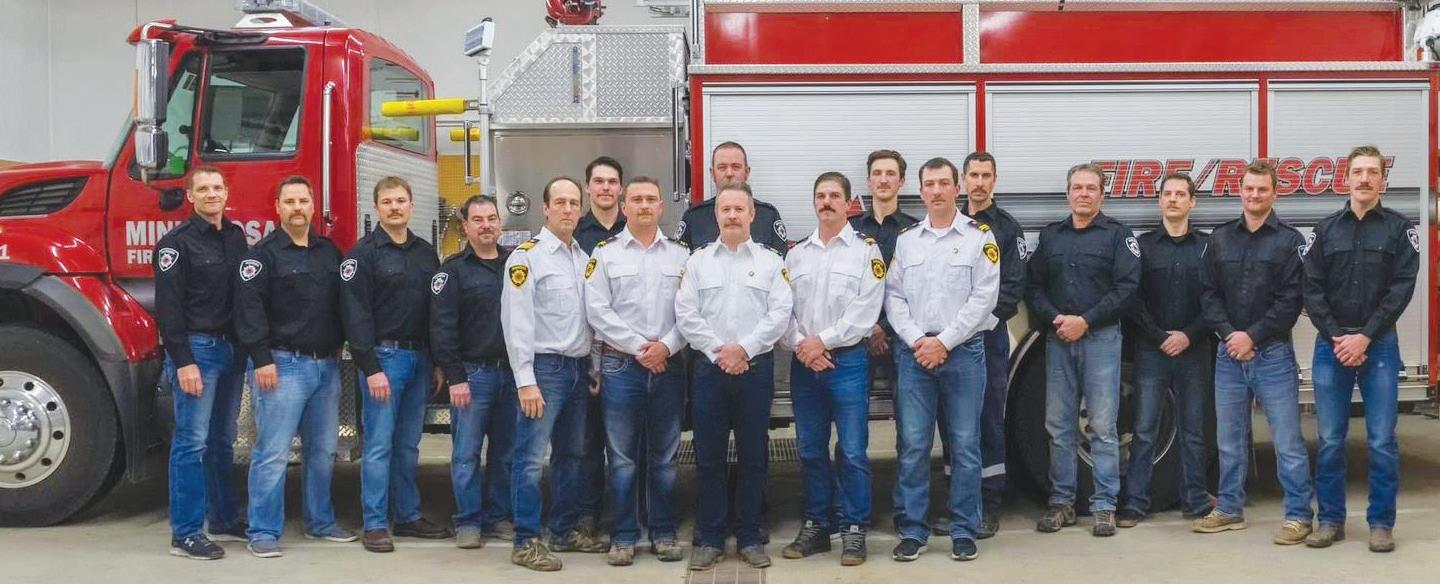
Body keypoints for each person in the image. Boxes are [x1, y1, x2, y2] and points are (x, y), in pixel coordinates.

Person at [1303, 145, 1418, 553]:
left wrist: (1365, 336)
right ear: (1346, 178)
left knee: (1382, 439)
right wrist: (1338, 336)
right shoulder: (1325, 230)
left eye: (1372, 171)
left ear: (1382, 180)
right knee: (1330, 439)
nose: (1365, 178)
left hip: (1379, 345)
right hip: (1331, 346)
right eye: (1358, 171)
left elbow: (1401, 289)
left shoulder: (1399, 229)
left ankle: (1381, 523)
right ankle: (1330, 521)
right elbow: (1311, 288)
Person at [235, 176, 357, 558]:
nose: (297, 208)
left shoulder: (329, 252)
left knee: (323, 452)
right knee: (273, 452)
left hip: (326, 367)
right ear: (278, 208)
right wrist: (261, 360)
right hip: (281, 366)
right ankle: (262, 530)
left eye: (303, 201)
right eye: (289, 201)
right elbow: (249, 311)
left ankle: (319, 522)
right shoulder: (262, 256)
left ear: (313, 206)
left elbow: (345, 304)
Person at [1194, 161, 1315, 545]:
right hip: (1228, 354)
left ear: (1275, 193)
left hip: (1273, 354)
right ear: (1240, 191)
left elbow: (1291, 300)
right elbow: (1208, 294)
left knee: (1288, 442)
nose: (1255, 195)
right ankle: (1229, 508)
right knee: (1229, 440)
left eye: (1262, 189)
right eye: (1249, 188)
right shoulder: (1220, 238)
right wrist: (1230, 335)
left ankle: (1298, 515)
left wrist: (1252, 337)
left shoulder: (1290, 241)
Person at [886, 158, 1000, 562]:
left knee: (965, 445)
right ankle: (913, 530)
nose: (936, 191)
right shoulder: (907, 241)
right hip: (915, 353)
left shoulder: (979, 238)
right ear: (921, 192)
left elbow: (984, 298)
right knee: (914, 445)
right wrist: (919, 340)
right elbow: (893, 296)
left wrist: (945, 342)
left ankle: (964, 529)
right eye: (929, 184)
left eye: (943, 183)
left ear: (957, 189)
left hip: (963, 353)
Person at [676, 183, 793, 571]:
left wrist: (743, 350)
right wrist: (719, 351)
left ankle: (748, 536)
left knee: (753, 456)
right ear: (716, 214)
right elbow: (686, 314)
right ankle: (710, 538)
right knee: (708, 457)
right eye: (725, 209)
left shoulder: (772, 263)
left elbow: (780, 313)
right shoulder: (697, 262)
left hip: (753, 371)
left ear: (751, 214)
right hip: (709, 372)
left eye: (739, 209)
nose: (731, 215)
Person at [1027, 163, 1141, 537]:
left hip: (1101, 339)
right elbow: (1034, 287)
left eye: (1091, 188)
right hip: (1059, 339)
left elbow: (1127, 288)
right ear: (1068, 194)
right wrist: (1056, 318)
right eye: (1077, 187)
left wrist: (1086, 321)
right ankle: (1062, 503)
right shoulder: (1051, 237)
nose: (1084, 194)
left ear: (1102, 195)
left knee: (1103, 427)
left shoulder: (1118, 236)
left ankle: (1104, 506)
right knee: (1058, 425)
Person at [584, 177, 691, 566]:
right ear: (624, 206)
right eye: (637, 199)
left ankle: (663, 532)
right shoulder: (605, 254)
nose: (644, 205)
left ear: (661, 207)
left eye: (651, 199)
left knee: (664, 457)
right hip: (621, 366)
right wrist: (641, 348)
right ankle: (624, 535)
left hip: (668, 364)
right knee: (622, 458)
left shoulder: (682, 256)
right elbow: (597, 311)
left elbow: (692, 311)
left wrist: (666, 346)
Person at [340, 176, 450, 553]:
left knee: (408, 446)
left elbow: (435, 312)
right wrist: (370, 367)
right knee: (379, 445)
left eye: (401, 201)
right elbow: (355, 315)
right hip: (384, 360)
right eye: (387, 202)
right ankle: (374, 523)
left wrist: (437, 362)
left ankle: (407, 515)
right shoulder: (362, 255)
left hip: (420, 361)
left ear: (411, 206)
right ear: (376, 208)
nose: (395, 208)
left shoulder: (426, 254)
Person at [780, 172, 885, 566]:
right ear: (814, 202)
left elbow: (866, 311)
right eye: (820, 195)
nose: (826, 202)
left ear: (848, 203)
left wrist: (821, 342)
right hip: (805, 364)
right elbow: (782, 311)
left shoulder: (866, 252)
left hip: (848, 362)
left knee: (853, 450)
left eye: (834, 196)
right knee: (810, 449)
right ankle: (817, 526)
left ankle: (854, 528)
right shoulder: (796, 255)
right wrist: (803, 346)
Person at [502, 177, 600, 571]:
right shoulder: (526, 258)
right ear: (545, 208)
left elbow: (589, 320)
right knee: (529, 459)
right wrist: (525, 380)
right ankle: (526, 540)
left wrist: (592, 366)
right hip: (544, 371)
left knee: (571, 456)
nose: (567, 209)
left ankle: (563, 529)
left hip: (576, 369)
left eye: (574, 203)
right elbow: (516, 322)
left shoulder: (582, 257)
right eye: (559, 202)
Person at [155, 165, 249, 560]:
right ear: (191, 197)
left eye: (217, 188)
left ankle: (224, 517)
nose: (211, 194)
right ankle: (186, 533)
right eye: (203, 189)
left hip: (231, 352)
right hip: (198, 351)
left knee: (222, 441)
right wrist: (183, 361)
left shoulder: (235, 237)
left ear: (227, 193)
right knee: (191, 444)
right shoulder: (175, 245)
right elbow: (168, 309)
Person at [1120, 173, 1213, 527]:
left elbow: (1215, 299)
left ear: (1192, 202)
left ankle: (1196, 502)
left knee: (1193, 431)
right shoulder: (1142, 247)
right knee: (1144, 429)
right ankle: (1135, 504)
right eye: (1167, 194)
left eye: (1180, 194)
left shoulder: (1208, 247)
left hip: (1195, 349)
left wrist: (1188, 335)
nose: (1173, 199)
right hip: (1151, 350)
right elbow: (1133, 298)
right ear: (1159, 201)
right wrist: (1159, 336)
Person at [430, 195, 518, 549]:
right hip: (472, 374)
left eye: (491, 219)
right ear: (465, 227)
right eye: (478, 220)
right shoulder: (452, 271)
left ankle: (498, 517)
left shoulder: (516, 265)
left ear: (500, 224)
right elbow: (442, 328)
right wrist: (456, 377)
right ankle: (468, 521)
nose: (486, 226)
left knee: (505, 453)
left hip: (512, 375)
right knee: (466, 453)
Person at [955, 151, 1027, 537]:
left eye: (986, 176)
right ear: (963, 180)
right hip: (952, 340)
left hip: (988, 337)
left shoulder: (1007, 229)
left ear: (994, 180)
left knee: (987, 418)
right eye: (974, 175)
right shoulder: (950, 223)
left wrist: (977, 323)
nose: (979, 183)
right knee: (955, 422)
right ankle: (960, 503)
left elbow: (1013, 288)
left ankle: (989, 503)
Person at [573, 156, 628, 544]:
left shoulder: (635, 229)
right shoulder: (574, 234)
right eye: (599, 181)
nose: (606, 187)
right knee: (588, 441)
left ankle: (630, 514)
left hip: (626, 354)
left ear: (621, 189)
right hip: (584, 353)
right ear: (588, 188)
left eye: (612, 181)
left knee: (628, 444)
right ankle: (588, 514)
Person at [678, 141, 790, 251]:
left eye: (736, 167)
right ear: (712, 174)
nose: (729, 173)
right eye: (722, 167)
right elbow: (680, 259)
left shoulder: (768, 217)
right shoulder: (693, 218)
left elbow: (779, 259)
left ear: (747, 172)